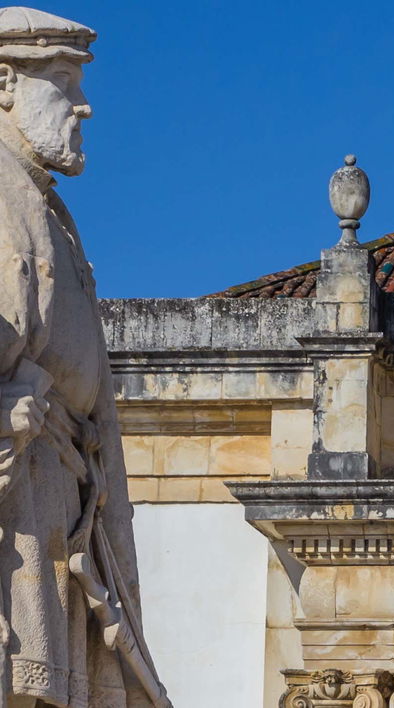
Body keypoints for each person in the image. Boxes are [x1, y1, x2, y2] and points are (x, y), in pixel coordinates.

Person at [0, 7, 168, 707]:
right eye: (64, 84)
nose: (83, 106)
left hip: (63, 498)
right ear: (4, 82)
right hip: (25, 492)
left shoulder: (45, 207)